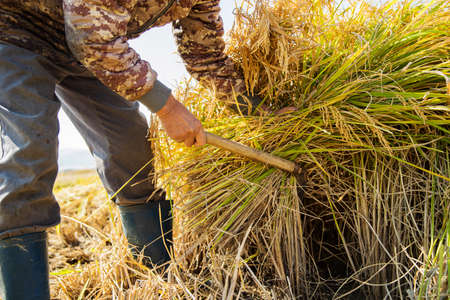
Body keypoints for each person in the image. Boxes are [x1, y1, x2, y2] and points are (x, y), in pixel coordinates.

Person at [0, 0, 263, 299]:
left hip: (87, 47)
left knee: (132, 147)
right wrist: (168, 108)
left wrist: (262, 113)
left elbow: (206, 56)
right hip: (17, 29)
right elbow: (92, 39)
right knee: (29, 153)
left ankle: (158, 281)